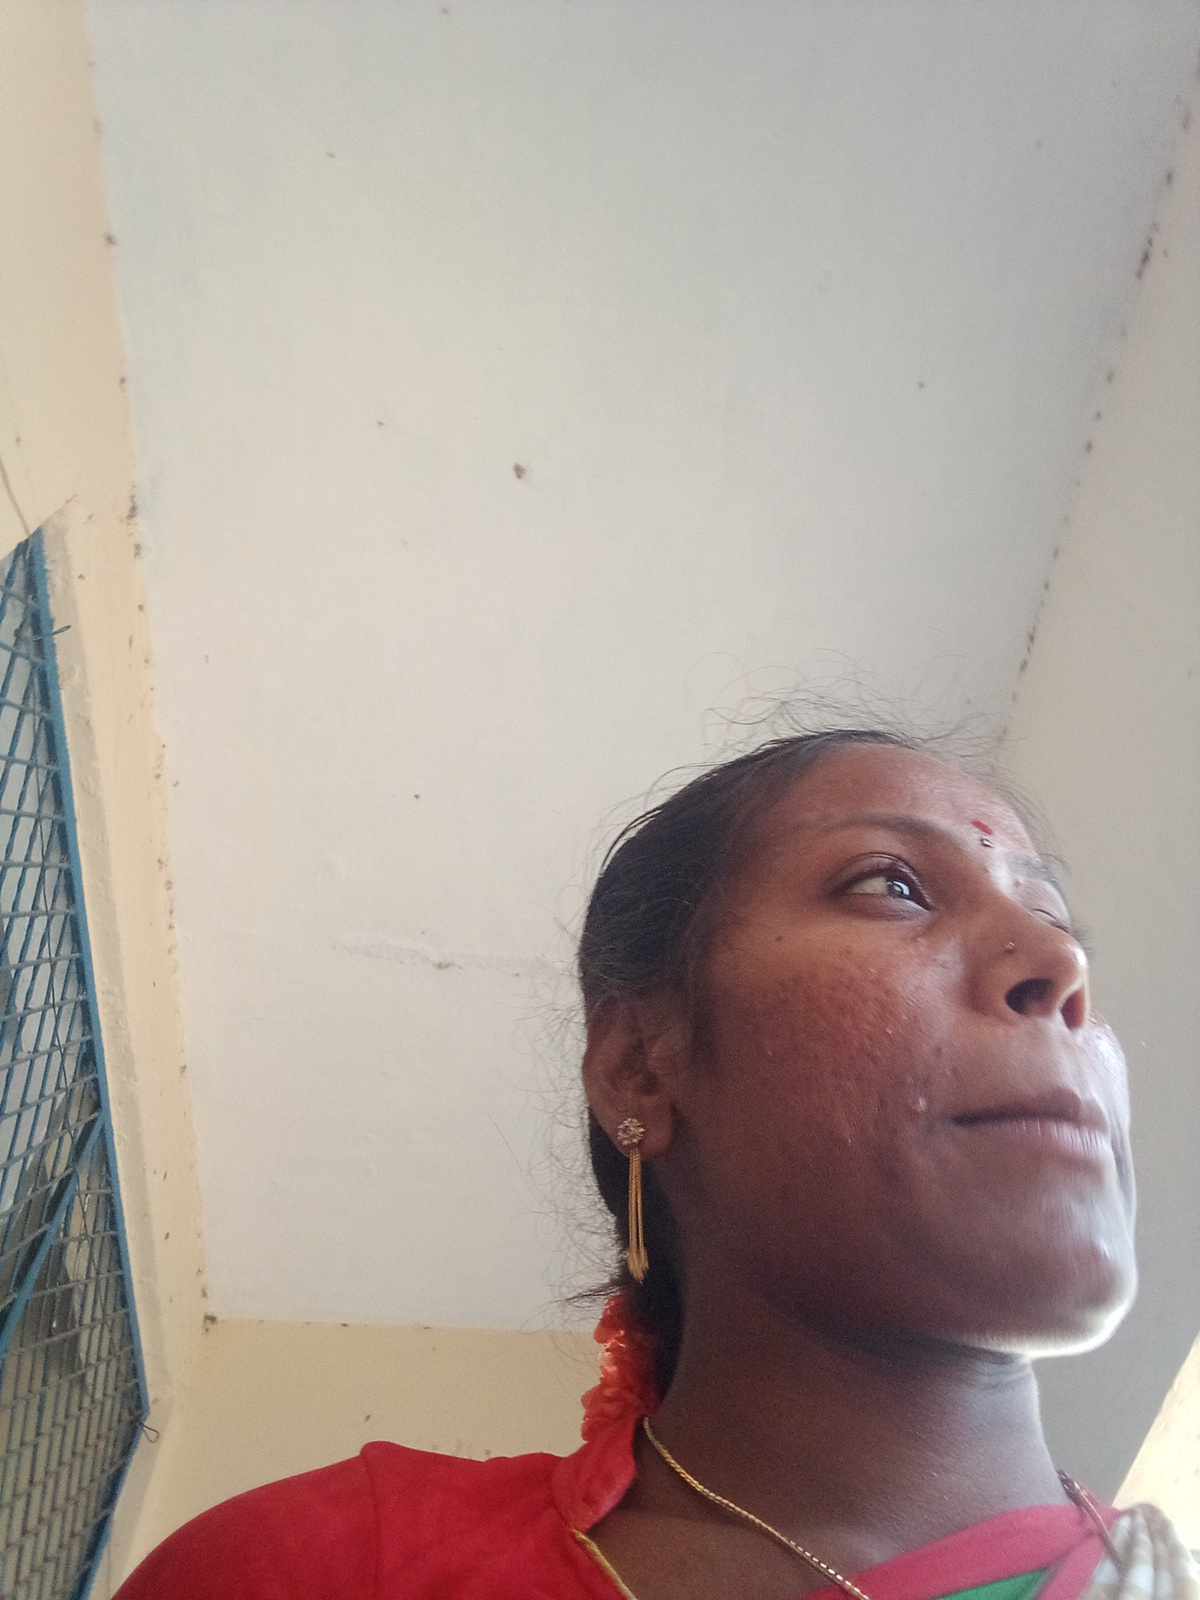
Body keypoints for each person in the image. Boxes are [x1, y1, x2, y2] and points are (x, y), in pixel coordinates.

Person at [114, 730, 1197, 1600]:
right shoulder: (328, 1569)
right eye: (893, 885)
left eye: (1054, 918)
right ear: (640, 1068)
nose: (1061, 964)